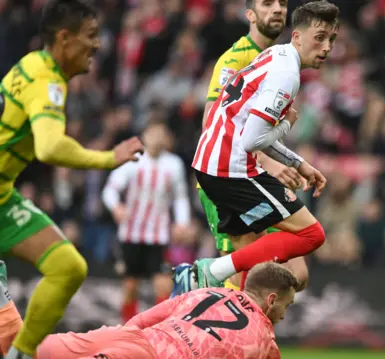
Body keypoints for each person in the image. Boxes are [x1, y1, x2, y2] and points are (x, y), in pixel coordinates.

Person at [0, 1, 144, 358]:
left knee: (68, 267)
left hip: (2, 198)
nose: (98, 45)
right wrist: (108, 158)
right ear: (64, 39)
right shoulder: (47, 79)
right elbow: (49, 147)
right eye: (90, 36)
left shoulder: (33, 65)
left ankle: (20, 355)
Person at [185, 0, 340, 291]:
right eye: (319, 38)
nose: (327, 47)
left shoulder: (275, 54)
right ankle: (206, 273)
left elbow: (250, 129)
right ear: (297, 36)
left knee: (248, 273)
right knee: (311, 235)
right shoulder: (285, 74)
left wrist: (300, 164)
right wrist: (287, 126)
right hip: (231, 170)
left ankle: (231, 325)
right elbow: (251, 139)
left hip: (213, 165)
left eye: (332, 39)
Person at [0, 261, 296, 359]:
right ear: (271, 299)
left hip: (132, 338)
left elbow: (146, 317)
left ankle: (3, 305)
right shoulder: (265, 340)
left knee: (29, 349)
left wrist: (123, 339)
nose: (285, 312)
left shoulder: (210, 291)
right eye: (287, 303)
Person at [102, 120, 191, 323]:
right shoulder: (133, 161)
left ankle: (160, 331)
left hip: (158, 235)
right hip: (131, 233)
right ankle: (129, 330)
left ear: (167, 138)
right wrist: (116, 207)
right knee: (131, 286)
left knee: (163, 284)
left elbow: (180, 197)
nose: (157, 137)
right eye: (153, 132)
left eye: (162, 133)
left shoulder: (174, 164)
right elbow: (110, 190)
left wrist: (182, 223)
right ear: (145, 136)